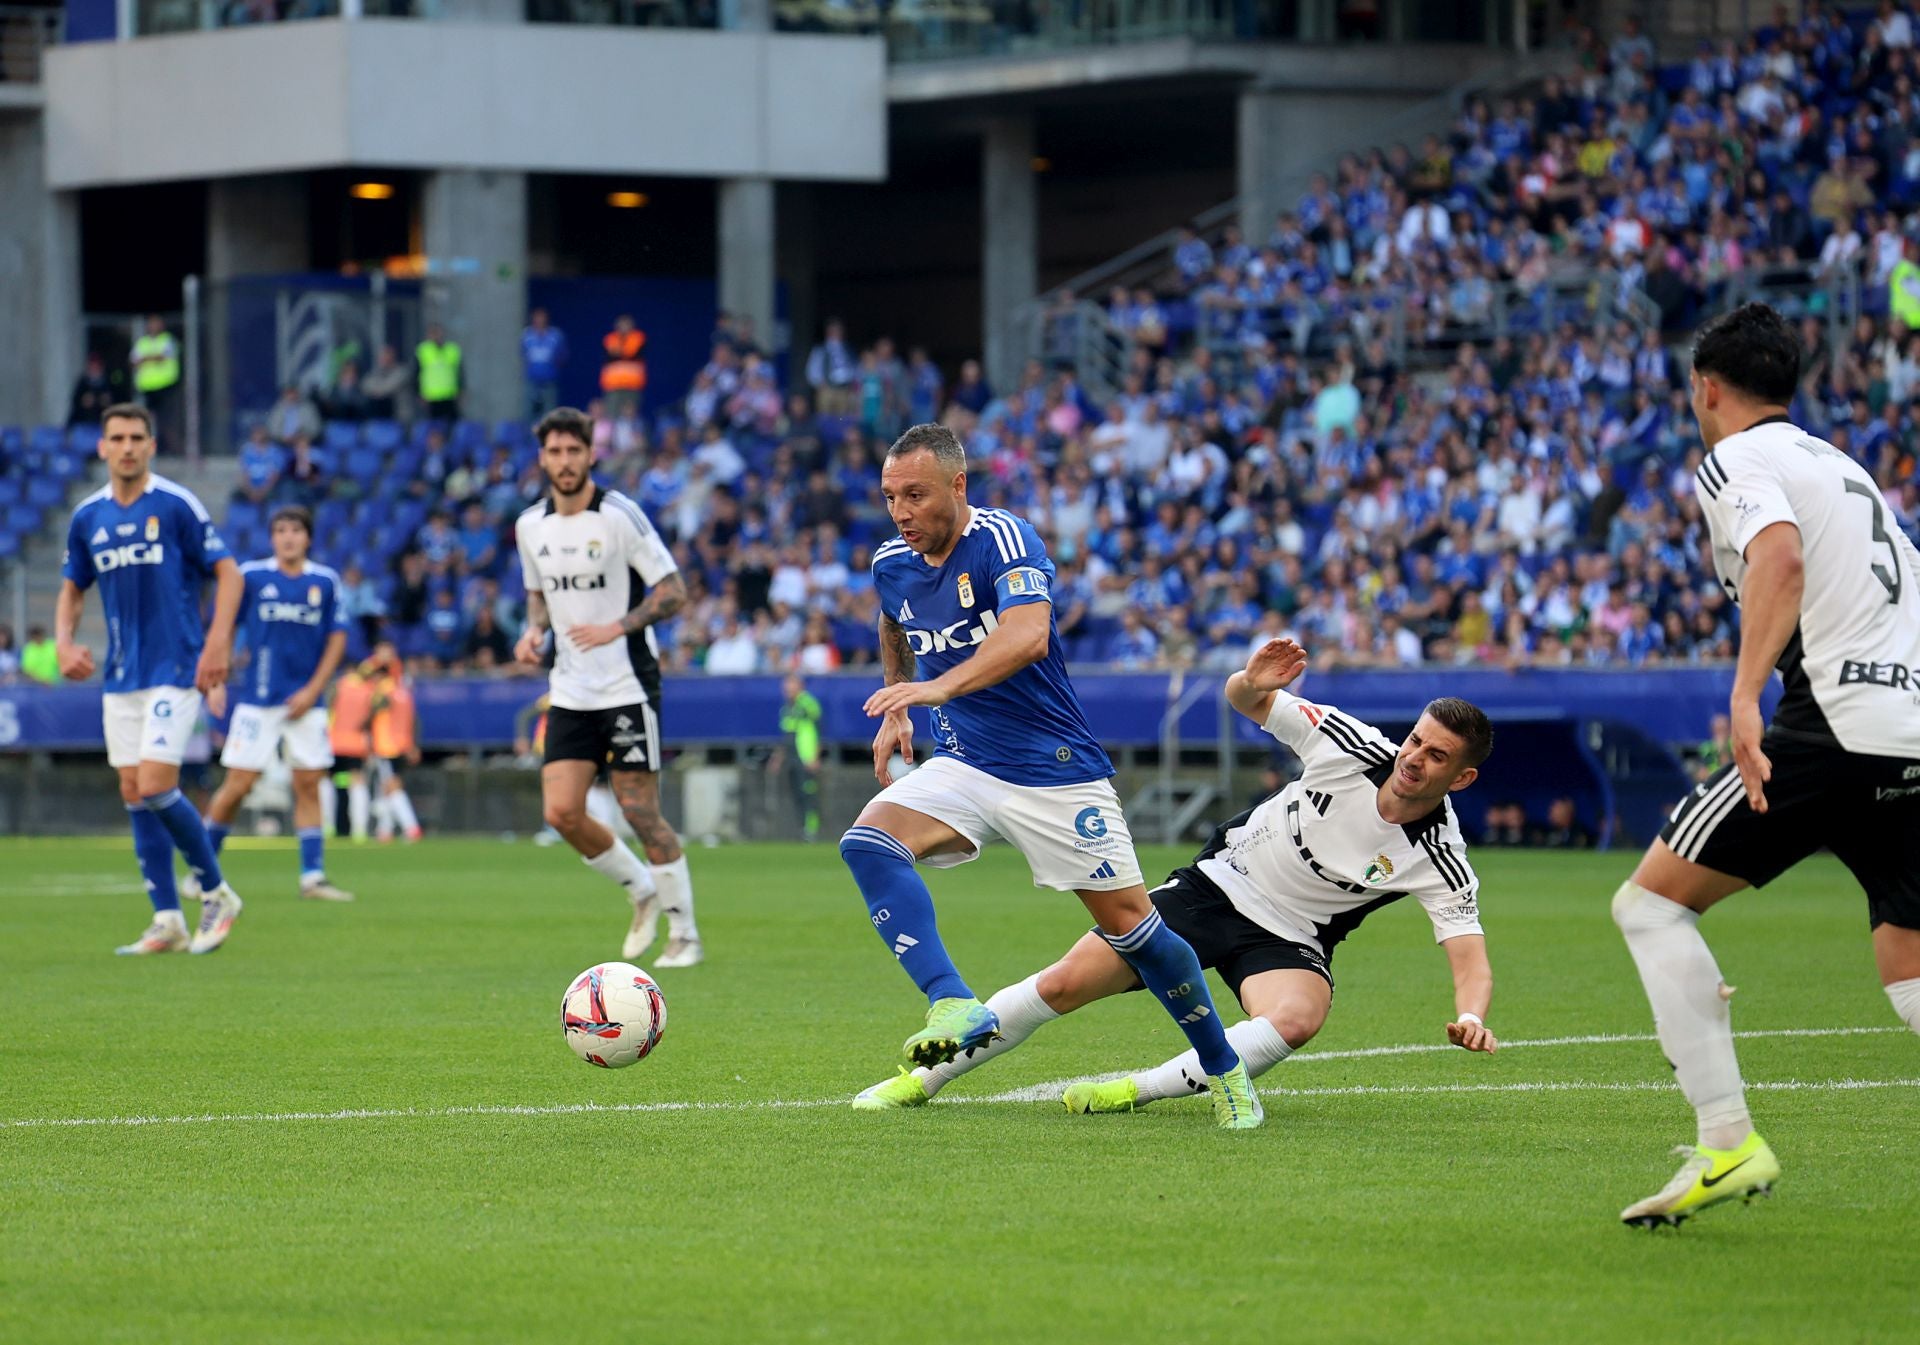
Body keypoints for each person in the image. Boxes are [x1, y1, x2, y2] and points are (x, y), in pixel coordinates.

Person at [855, 636, 1497, 1113]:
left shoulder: (1440, 854)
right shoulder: (1351, 744)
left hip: (1292, 935)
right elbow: (1246, 699)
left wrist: (1471, 1015)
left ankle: (1135, 1090)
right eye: (1416, 740)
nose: (1413, 758)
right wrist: (1250, 679)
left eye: (1435, 755)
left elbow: (1469, 957)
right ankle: (923, 1080)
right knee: (1066, 981)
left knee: (1300, 1016)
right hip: (1218, 885)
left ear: (1462, 778)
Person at [842, 423, 1262, 1128]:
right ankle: (951, 1001)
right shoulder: (892, 560)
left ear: (958, 485)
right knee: (868, 842)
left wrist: (937, 691)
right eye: (890, 497)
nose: (902, 512)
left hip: (1054, 773)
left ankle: (1224, 1070)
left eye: (915, 494)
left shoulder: (1004, 538)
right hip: (966, 762)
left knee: (1136, 934)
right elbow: (895, 620)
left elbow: (1027, 633)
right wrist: (896, 707)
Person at [1611, 303, 1920, 1228]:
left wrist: (1745, 694)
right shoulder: (1841, 464)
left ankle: (1727, 1141)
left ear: (1706, 389)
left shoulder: (1737, 457)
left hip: (1833, 723)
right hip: (1907, 722)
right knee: (1908, 953)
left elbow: (1777, 560)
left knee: (1651, 902)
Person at [513, 406, 704, 967]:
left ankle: (685, 934)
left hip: (626, 683)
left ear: (591, 454)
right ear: (543, 458)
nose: (565, 461)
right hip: (570, 687)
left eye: (575, 451)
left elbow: (674, 590)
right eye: (555, 452)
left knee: (639, 810)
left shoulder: (620, 516)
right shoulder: (530, 526)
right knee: (561, 812)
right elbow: (538, 595)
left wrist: (615, 626)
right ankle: (640, 887)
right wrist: (532, 632)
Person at [55, 404, 245, 955]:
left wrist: (217, 643)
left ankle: (215, 892)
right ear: (102, 448)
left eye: (138, 437)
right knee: (133, 789)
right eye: (117, 438)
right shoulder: (88, 516)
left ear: (152, 446)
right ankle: (167, 918)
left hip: (176, 665)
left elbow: (228, 574)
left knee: (158, 784)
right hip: (122, 672)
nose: (128, 447)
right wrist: (65, 643)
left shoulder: (176, 504)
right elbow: (72, 586)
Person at [193, 506, 354, 903]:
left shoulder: (325, 581)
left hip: (306, 701)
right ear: (271, 538)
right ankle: (203, 872)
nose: (288, 537)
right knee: (238, 785)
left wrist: (314, 690)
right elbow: (225, 626)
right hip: (258, 699)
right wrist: (217, 679)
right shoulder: (252, 576)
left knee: (309, 784)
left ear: (308, 538)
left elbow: (337, 639)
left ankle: (312, 877)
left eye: (296, 530)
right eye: (280, 530)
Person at [365, 641, 423, 843]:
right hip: (402, 744)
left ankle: (411, 827)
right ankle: (385, 829)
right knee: (386, 786)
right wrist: (413, 744)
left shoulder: (384, 691)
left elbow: (369, 714)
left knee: (392, 786)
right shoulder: (403, 690)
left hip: (386, 745)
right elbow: (413, 719)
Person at [329, 653, 376, 842]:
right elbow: (373, 715)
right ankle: (359, 830)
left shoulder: (338, 687)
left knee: (335, 783)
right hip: (356, 744)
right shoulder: (369, 689)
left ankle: (328, 826)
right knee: (357, 783)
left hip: (335, 743)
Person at [774, 671, 824, 842]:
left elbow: (818, 731)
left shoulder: (808, 704)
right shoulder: (787, 708)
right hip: (791, 756)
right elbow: (787, 735)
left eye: (790, 686)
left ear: (799, 686)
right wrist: (778, 758)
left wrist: (815, 757)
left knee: (808, 792)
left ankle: (812, 830)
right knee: (796, 793)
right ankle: (803, 828)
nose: (787, 689)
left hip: (805, 756)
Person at [130, 316, 182, 453]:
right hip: (147, 389)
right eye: (151, 323)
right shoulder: (142, 342)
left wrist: (146, 358)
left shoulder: (167, 340)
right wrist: (153, 357)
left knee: (167, 421)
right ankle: (149, 449)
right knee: (145, 421)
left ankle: (171, 450)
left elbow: (163, 357)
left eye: (156, 323)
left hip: (166, 387)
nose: (153, 326)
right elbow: (134, 361)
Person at [522, 308, 569, 421]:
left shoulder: (555, 335)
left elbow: (562, 355)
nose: (539, 320)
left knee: (549, 412)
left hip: (549, 379)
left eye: (542, 318)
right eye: (537, 318)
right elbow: (523, 355)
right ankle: (530, 437)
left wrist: (552, 368)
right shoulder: (526, 335)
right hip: (532, 380)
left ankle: (548, 436)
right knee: (529, 411)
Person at [599, 316, 646, 422]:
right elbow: (611, 355)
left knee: (632, 417)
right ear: (616, 326)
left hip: (632, 385)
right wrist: (621, 353)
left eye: (627, 324)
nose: (624, 327)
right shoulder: (609, 338)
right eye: (621, 324)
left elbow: (632, 353)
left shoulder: (638, 337)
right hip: (613, 385)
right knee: (611, 416)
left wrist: (619, 352)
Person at [416, 323, 462, 422]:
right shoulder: (423, 351)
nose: (436, 336)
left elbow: (459, 372)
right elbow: (417, 373)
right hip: (431, 396)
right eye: (433, 333)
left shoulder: (452, 350)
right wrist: (418, 393)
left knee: (453, 424)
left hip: (450, 394)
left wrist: (461, 390)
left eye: (438, 333)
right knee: (433, 426)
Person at [66, 352, 125, 430]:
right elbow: (75, 404)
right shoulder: (82, 383)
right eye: (92, 366)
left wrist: (108, 402)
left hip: (104, 424)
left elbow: (119, 402)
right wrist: (83, 402)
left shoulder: (109, 383)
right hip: (84, 423)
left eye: (97, 366)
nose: (94, 368)